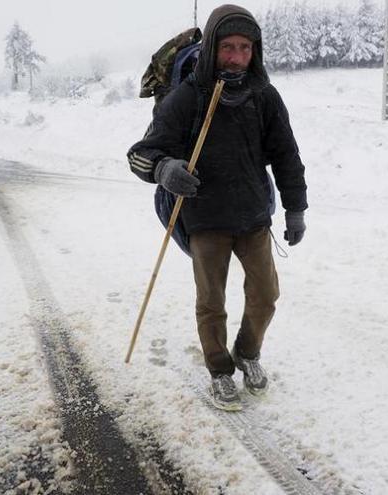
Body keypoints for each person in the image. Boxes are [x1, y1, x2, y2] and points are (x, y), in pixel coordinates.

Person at [127, 4, 307, 411]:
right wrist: (165, 168)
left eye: (245, 48)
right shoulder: (188, 96)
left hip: (253, 216)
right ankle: (220, 370)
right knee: (212, 302)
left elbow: (286, 156)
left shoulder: (264, 96)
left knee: (266, 294)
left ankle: (247, 352)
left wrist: (296, 208)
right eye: (228, 47)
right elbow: (140, 154)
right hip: (205, 218)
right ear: (212, 48)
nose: (237, 57)